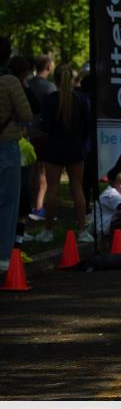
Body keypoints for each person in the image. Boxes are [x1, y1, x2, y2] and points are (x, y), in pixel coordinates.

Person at [37, 67, 92, 244]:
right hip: (75, 148)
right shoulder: (82, 99)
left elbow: (44, 127)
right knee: (77, 188)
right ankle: (82, 230)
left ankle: (48, 231)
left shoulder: (49, 100)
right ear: (73, 80)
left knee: (52, 189)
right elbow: (88, 126)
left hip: (54, 147)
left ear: (55, 80)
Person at [0, 58, 32, 273]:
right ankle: (3, 257)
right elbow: (26, 114)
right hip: (6, 145)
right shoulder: (9, 81)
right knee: (8, 202)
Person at [26, 55, 56, 222]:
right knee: (42, 171)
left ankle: (31, 203)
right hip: (43, 133)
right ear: (49, 67)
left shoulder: (27, 83)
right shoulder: (49, 87)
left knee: (32, 169)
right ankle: (38, 207)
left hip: (27, 131)